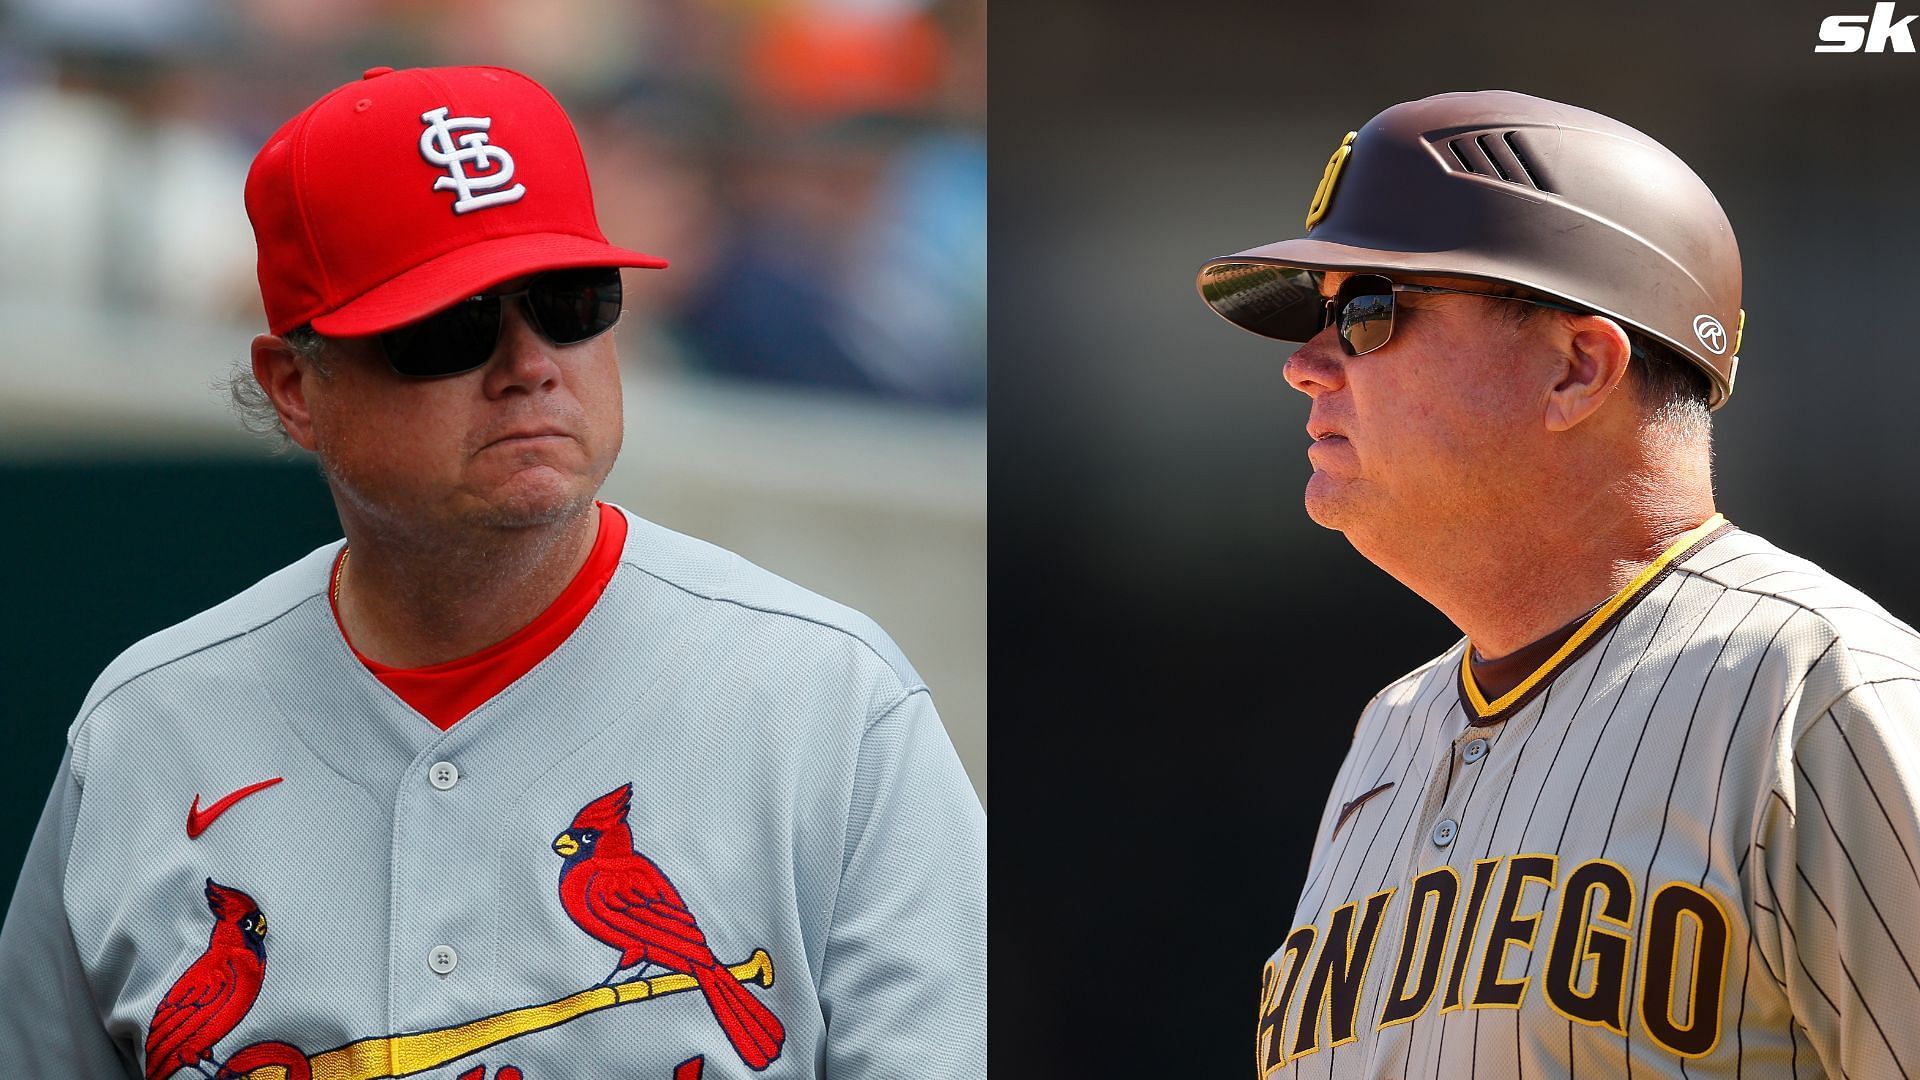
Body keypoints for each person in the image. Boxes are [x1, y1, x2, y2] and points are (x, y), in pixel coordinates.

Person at [0, 65, 984, 1080]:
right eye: (451, 326)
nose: (531, 364)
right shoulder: (144, 732)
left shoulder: (829, 705)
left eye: (570, 300)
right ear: (296, 389)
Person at [1196, 90, 1920, 1078]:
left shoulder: (1822, 687)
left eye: (1366, 309)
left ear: (1578, 367)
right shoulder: (1386, 737)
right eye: (1311, 318)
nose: (1308, 366)